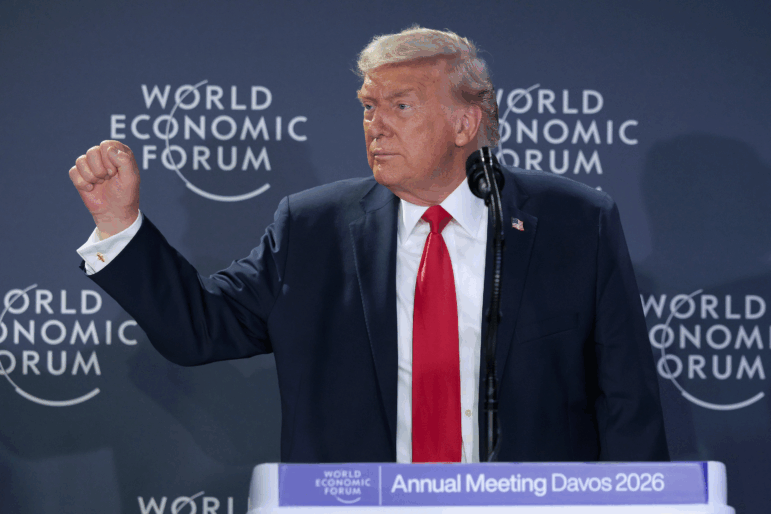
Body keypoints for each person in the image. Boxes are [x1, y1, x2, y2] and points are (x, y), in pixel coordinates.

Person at [69, 26, 669, 463]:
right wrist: (122, 224)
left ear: (465, 122)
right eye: (367, 108)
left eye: (400, 107)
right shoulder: (313, 228)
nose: (374, 126)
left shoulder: (575, 222)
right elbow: (199, 328)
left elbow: (628, 402)